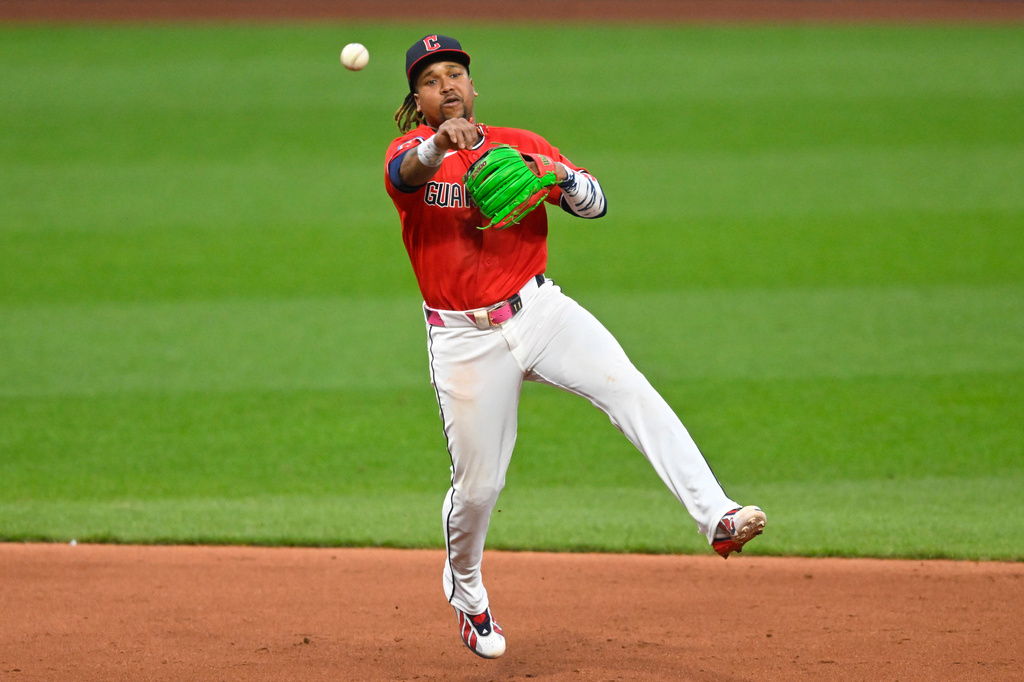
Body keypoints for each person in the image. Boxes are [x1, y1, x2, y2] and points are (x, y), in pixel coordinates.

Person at [384, 34, 766, 660]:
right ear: (418, 100)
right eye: (431, 80)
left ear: (474, 88)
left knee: (629, 389)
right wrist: (435, 145)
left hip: (539, 310)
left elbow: (595, 203)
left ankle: (717, 517)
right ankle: (467, 588)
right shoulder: (408, 152)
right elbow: (407, 172)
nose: (446, 85)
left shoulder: (520, 142)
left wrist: (556, 176)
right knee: (479, 488)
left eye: (455, 73)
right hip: (462, 338)